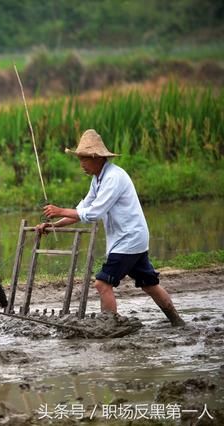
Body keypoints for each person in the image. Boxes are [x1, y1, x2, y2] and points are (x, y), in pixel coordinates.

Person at [35, 129, 185, 326]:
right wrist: (54, 225)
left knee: (102, 283)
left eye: (85, 159)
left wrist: (60, 210)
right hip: (132, 239)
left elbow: (93, 214)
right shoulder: (97, 179)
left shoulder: (113, 178)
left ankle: (109, 327)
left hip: (128, 240)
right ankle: (177, 321)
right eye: (80, 159)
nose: (81, 164)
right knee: (150, 285)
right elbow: (82, 210)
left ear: (97, 158)